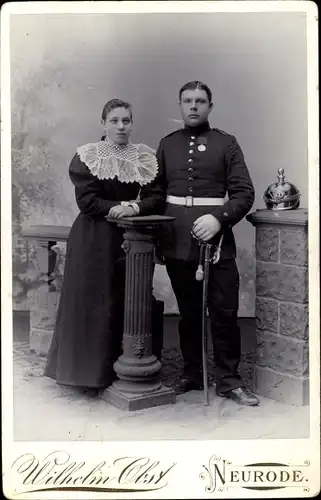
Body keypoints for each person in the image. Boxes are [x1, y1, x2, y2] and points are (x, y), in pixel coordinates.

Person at [136, 81, 260, 406]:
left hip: (217, 241)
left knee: (223, 311)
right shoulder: (167, 144)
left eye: (200, 101)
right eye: (188, 101)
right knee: (189, 314)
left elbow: (245, 193)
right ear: (179, 105)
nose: (194, 106)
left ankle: (229, 380)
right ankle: (193, 372)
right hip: (177, 239)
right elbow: (154, 193)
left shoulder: (226, 143)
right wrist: (144, 217)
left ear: (210, 106)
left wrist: (219, 218)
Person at [44, 99, 159, 395]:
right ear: (103, 124)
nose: (121, 126)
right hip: (94, 237)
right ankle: (85, 375)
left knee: (122, 300)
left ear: (132, 124)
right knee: (92, 301)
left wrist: (134, 208)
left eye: (126, 121)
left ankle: (120, 371)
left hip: (130, 239)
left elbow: (155, 197)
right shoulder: (89, 156)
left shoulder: (143, 156)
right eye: (115, 121)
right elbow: (88, 202)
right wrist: (120, 207)